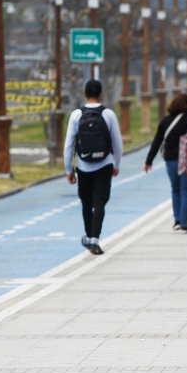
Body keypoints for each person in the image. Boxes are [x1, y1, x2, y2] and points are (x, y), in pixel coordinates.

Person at [63, 79, 123, 255]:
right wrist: (116, 164)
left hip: (84, 165)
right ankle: (95, 239)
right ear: (101, 94)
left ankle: (88, 237)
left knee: (86, 202)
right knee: (100, 202)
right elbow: (117, 143)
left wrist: (69, 169)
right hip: (104, 164)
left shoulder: (76, 115)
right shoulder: (109, 114)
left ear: (84, 94)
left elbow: (69, 145)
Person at [144, 92, 187, 233]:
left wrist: (149, 160)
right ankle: (184, 222)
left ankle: (177, 220)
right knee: (185, 191)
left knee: (175, 189)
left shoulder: (165, 121)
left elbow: (157, 141)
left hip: (170, 160)